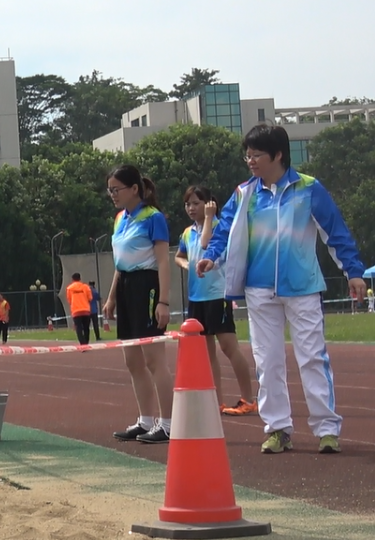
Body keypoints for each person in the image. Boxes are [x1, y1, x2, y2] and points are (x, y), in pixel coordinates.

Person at [199, 124, 366, 454]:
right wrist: (210, 257)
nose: (250, 161)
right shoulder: (245, 193)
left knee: (312, 359)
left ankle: (326, 429)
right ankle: (277, 428)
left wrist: (354, 272)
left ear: (278, 155)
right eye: (247, 155)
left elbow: (336, 233)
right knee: (268, 361)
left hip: (303, 288)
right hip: (259, 291)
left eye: (256, 155)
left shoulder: (309, 189)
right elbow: (224, 230)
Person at [102, 165, 174, 445]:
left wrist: (164, 301)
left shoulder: (153, 217)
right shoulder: (120, 218)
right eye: (110, 190)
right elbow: (120, 262)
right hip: (126, 287)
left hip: (148, 287)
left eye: (116, 189)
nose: (112, 195)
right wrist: (111, 296)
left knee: (154, 360)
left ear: (134, 189)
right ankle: (145, 421)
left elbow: (164, 261)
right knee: (132, 362)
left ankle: (167, 424)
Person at [176, 186, 256, 416]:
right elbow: (179, 256)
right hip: (196, 297)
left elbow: (205, 245)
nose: (191, 208)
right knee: (206, 353)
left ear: (209, 203)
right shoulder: (187, 232)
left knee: (229, 347)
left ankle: (248, 398)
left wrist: (210, 217)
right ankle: (216, 401)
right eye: (188, 204)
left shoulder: (220, 227)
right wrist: (187, 265)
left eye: (196, 203)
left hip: (217, 295)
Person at [66, 273, 93, 346]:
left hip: (76, 311)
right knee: (86, 328)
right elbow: (90, 298)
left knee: (79, 328)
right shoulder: (86, 287)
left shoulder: (69, 288)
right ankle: (86, 343)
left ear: (72, 279)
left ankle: (82, 343)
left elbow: (69, 300)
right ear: (80, 278)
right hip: (86, 310)